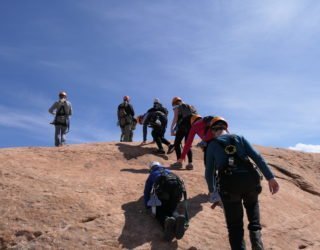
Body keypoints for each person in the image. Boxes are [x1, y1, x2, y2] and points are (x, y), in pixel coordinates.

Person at [205, 116, 280, 250]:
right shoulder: (240, 138)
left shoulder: (212, 145)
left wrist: (213, 192)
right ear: (226, 128)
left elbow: (209, 172)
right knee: (253, 216)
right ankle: (257, 245)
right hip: (250, 182)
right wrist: (270, 177)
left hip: (229, 187)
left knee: (235, 227)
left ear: (213, 131)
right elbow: (257, 157)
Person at [144, 161, 187, 241]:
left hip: (164, 193)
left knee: (159, 210)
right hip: (176, 193)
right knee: (171, 208)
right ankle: (177, 217)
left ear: (151, 168)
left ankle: (166, 221)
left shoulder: (152, 174)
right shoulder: (168, 171)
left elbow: (147, 191)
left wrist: (147, 206)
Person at [168, 97, 197, 170]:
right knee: (187, 145)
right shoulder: (190, 106)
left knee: (177, 144)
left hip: (182, 126)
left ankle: (179, 162)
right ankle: (190, 164)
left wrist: (172, 128)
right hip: (191, 127)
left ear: (174, 102)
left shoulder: (177, 106)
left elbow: (176, 117)